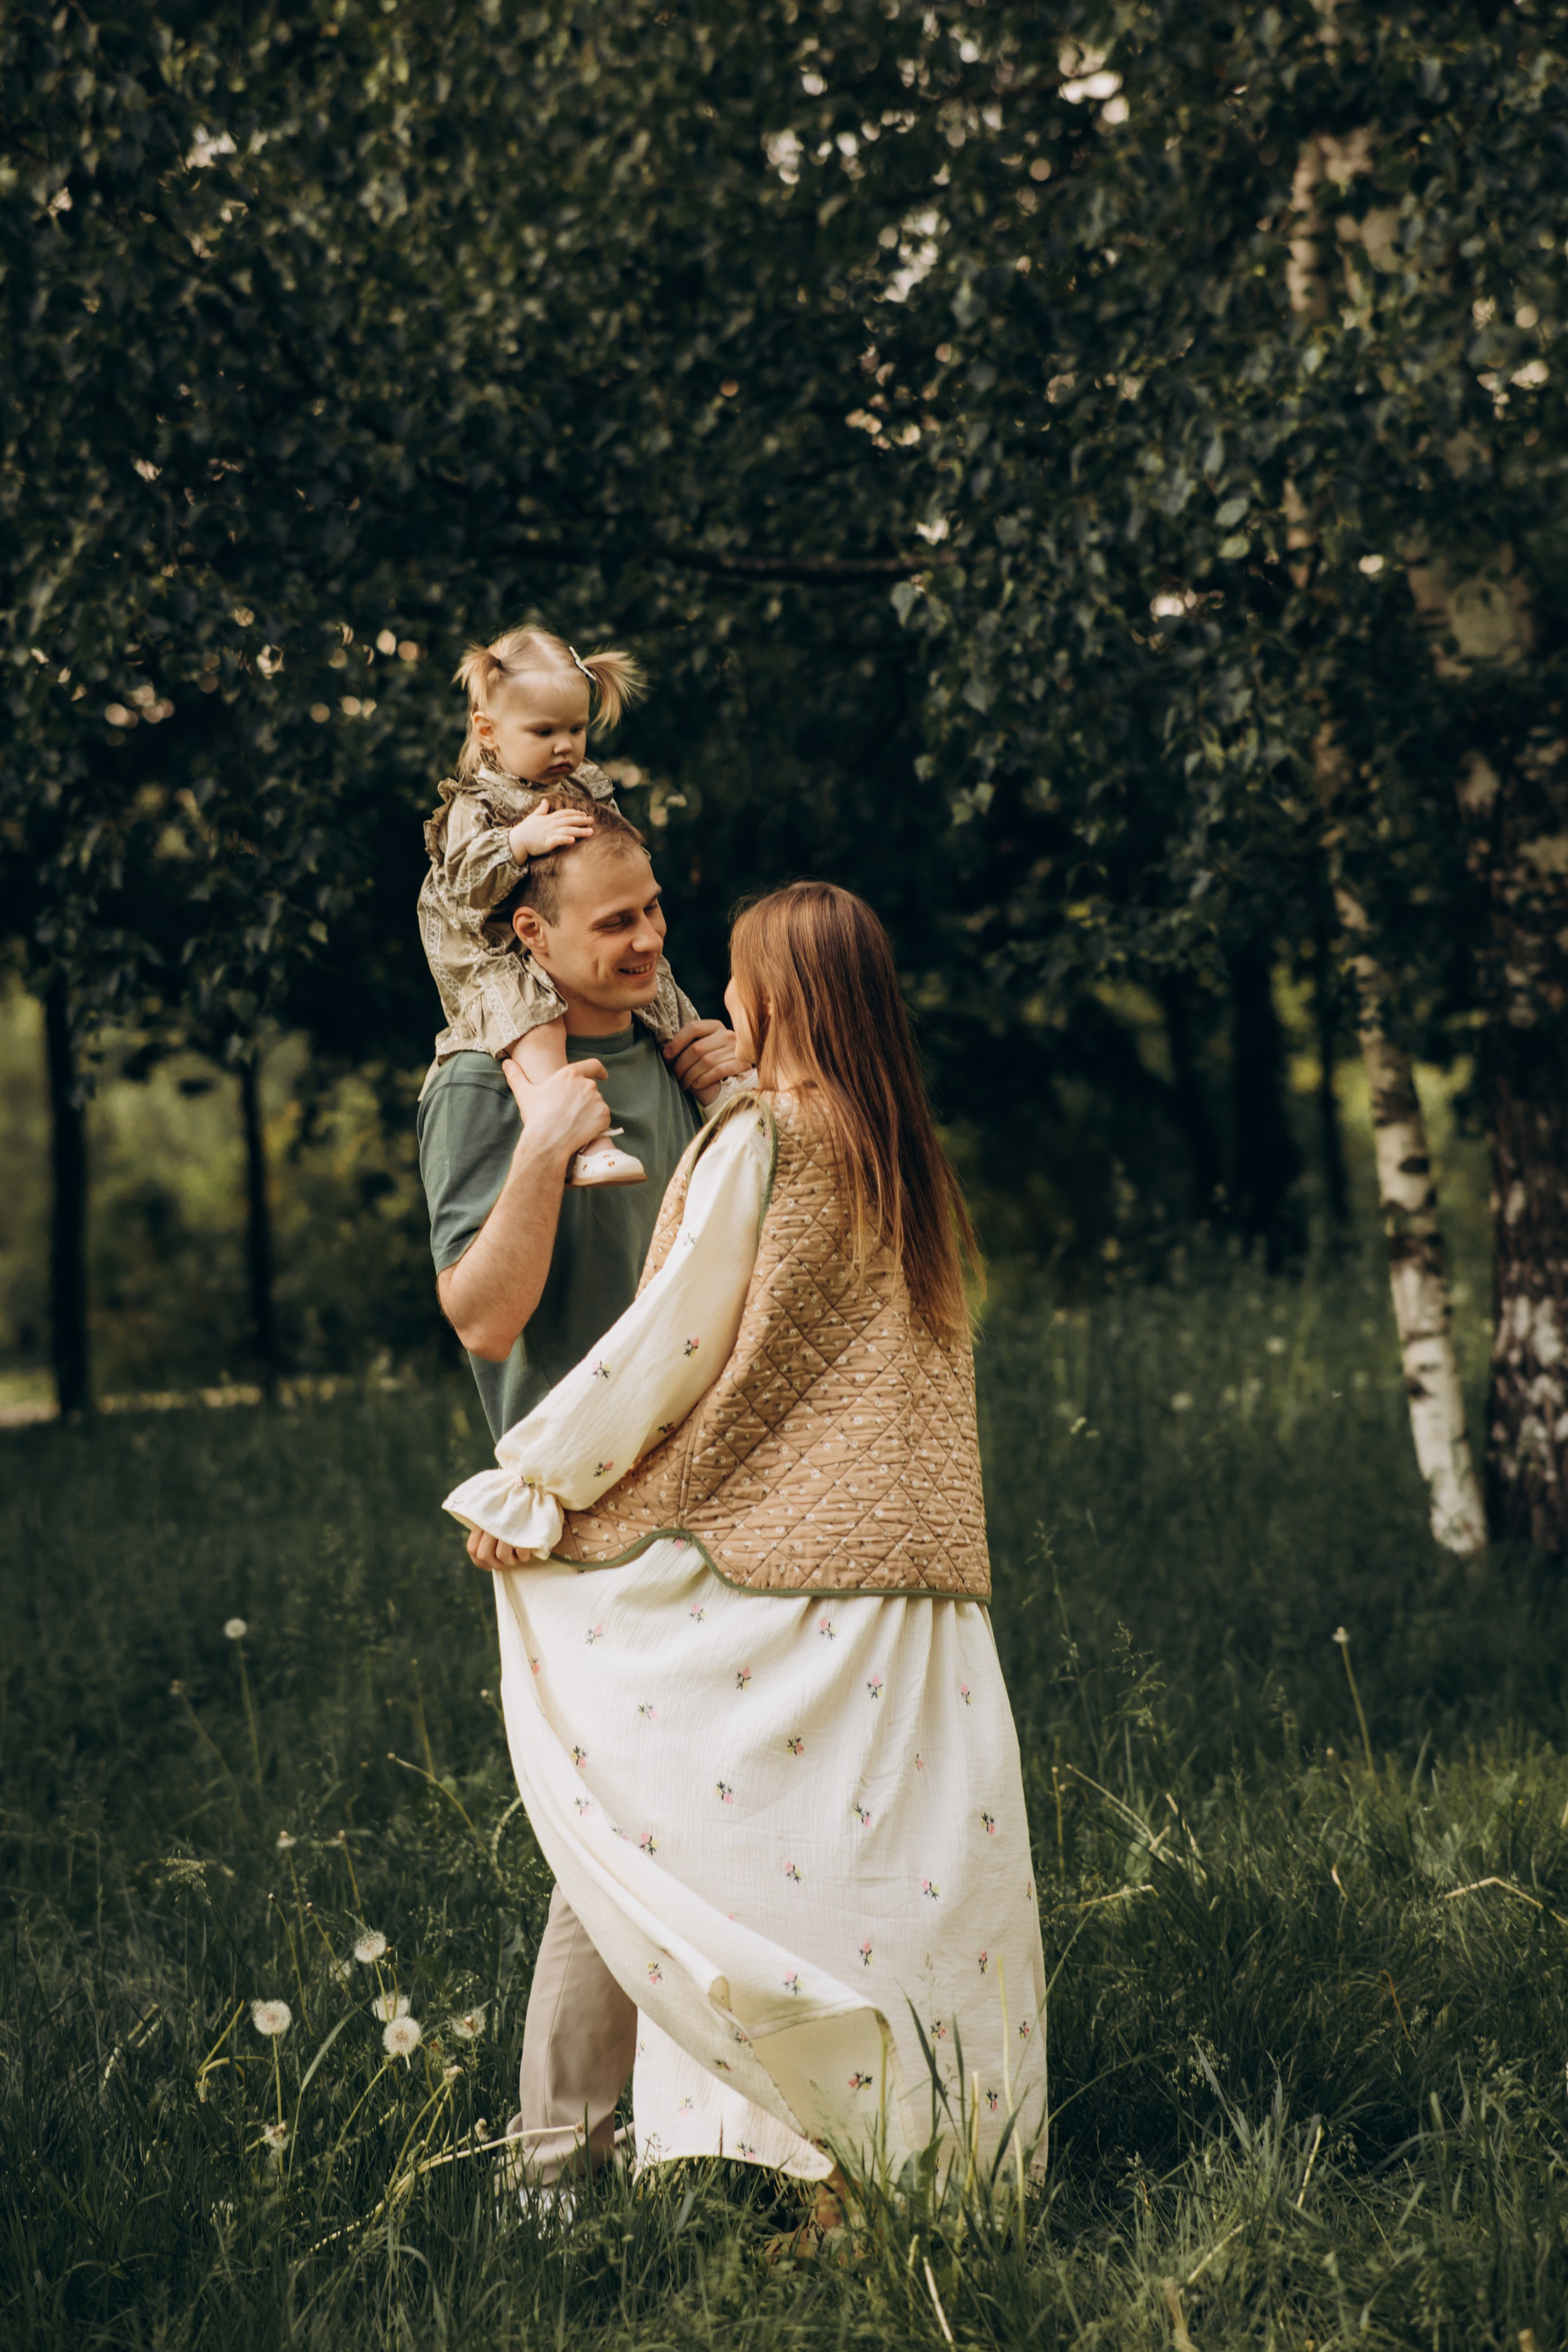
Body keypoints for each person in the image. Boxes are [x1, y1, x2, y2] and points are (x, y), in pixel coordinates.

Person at [447, 881, 1047, 2231]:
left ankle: (618, 2162)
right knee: (893, 1887)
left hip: (794, 1567)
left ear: (771, 995)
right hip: (924, 1581)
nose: (714, 993)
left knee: (671, 1823)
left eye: (733, 974)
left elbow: (673, 1342)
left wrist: (539, 1486)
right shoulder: (898, 1150)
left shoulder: (764, 1139)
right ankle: (925, 2179)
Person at [417, 797, 742, 2184]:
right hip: (583, 1519)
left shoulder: (673, 1053)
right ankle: (555, 2171)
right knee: (624, 1831)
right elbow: (482, 1316)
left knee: (708, 1815)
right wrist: (548, 1143)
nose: (650, 937)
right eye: (616, 922)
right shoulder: (479, 1087)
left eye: (656, 909)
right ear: (530, 938)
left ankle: (698, 2137)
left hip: (725, 1490)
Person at [418, 621, 698, 1186]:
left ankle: (722, 1096)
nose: (565, 745)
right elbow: (463, 887)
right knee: (535, 1021)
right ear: (489, 731)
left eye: (577, 728)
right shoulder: (475, 805)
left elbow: (613, 851)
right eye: (544, 731)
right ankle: (583, 1140)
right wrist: (517, 844)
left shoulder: (585, 783)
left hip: (552, 936)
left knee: (667, 996)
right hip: (488, 948)